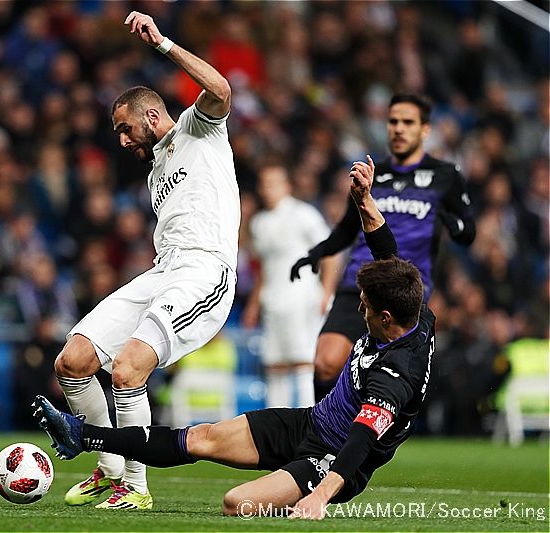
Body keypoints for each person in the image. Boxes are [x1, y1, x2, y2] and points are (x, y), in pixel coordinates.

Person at [35, 155, 435, 519]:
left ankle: (298, 497)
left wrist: (320, 496)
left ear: (385, 317)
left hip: (333, 460)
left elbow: (361, 442)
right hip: (310, 423)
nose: (359, 311)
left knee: (236, 504)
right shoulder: (411, 304)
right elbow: (388, 252)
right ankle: (82, 434)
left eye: (364, 306)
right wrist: (364, 199)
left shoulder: (395, 374)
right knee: (202, 438)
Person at [52, 11, 239, 510]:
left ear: (152, 117)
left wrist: (163, 45)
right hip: (163, 270)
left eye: (125, 128)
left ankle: (135, 486)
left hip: (204, 269)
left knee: (129, 369)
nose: (121, 140)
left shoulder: (201, 131)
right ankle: (109, 466)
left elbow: (220, 87)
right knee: (73, 361)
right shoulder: (157, 170)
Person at [290, 94, 475, 401]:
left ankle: (369, 440)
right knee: (325, 364)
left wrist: (447, 219)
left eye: (407, 122)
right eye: (393, 122)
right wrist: (318, 252)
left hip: (407, 292)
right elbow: (349, 227)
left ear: (425, 130)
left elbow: (467, 233)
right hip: (359, 283)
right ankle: (322, 434)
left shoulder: (445, 177)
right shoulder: (373, 173)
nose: (398, 129)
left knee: (387, 379)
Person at [242, 164, 340, 408]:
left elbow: (331, 252)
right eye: (264, 184)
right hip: (273, 301)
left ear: (286, 186)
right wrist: (253, 305)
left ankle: (309, 421)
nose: (267, 189)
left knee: (304, 362)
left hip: (302, 298)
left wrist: (327, 292)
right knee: (275, 364)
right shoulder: (259, 223)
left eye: (273, 183)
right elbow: (265, 268)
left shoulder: (303, 214)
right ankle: (277, 427)